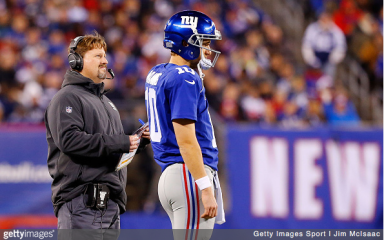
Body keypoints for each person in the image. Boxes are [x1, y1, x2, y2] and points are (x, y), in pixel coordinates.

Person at [44, 32, 150, 237]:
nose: (105, 60)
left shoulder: (107, 103)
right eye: (98, 56)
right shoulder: (67, 97)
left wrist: (138, 141)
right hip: (81, 202)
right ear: (77, 61)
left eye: (105, 55)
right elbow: (70, 141)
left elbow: (112, 152)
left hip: (110, 206)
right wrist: (121, 141)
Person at [144, 11, 225, 240]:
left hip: (174, 175)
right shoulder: (185, 77)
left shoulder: (158, 72)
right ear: (186, 43)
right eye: (204, 42)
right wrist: (205, 187)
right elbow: (187, 141)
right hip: (187, 174)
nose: (208, 50)